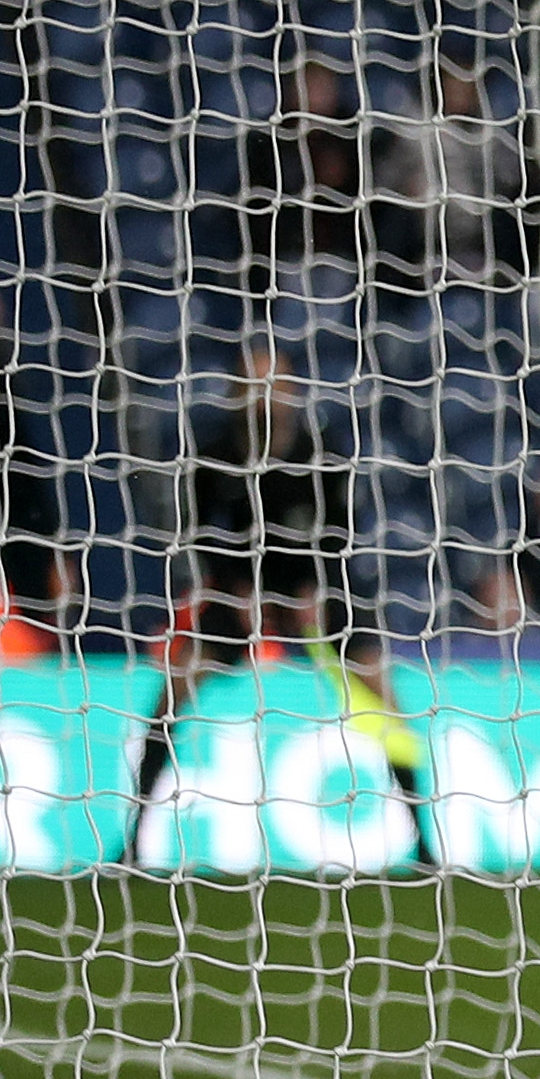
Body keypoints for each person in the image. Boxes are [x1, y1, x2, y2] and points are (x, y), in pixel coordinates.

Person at [120, 342, 429, 870]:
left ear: (291, 393)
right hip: (242, 595)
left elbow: (340, 537)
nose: (265, 400)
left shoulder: (324, 455)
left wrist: (314, 592)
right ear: (236, 394)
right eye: (253, 386)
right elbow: (201, 539)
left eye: (275, 386)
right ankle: (133, 841)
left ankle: (423, 840)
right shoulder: (214, 458)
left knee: (382, 702)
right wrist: (234, 592)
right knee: (172, 693)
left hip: (317, 594)